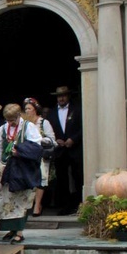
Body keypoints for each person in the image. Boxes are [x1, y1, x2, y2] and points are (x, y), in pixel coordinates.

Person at [0, 103, 42, 245]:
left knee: (21, 200)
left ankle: (19, 232)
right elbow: (0, 149)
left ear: (19, 115)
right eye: (8, 120)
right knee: (4, 200)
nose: (10, 122)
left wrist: (20, 151)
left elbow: (36, 146)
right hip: (7, 168)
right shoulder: (2, 129)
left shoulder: (28, 127)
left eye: (13, 119)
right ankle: (12, 229)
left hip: (22, 169)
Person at [46, 86, 83, 215]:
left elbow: (84, 127)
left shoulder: (77, 109)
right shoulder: (51, 113)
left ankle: (79, 203)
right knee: (62, 178)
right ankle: (65, 205)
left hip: (75, 149)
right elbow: (48, 131)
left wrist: (73, 139)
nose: (61, 98)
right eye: (59, 96)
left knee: (78, 176)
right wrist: (57, 140)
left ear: (68, 96)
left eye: (63, 95)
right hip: (60, 150)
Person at [23, 97, 56, 217]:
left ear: (35, 109)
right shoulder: (23, 124)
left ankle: (37, 205)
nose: (27, 111)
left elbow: (52, 139)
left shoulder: (43, 122)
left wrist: (41, 141)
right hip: (27, 156)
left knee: (40, 180)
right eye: (25, 108)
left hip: (40, 155)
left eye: (29, 108)